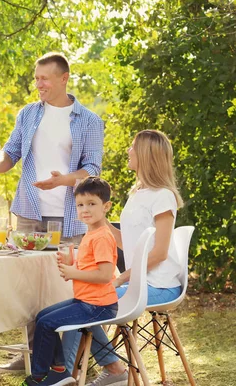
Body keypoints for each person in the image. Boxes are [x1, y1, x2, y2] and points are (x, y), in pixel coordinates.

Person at [0, 52, 105, 373]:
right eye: (36, 77)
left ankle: (66, 360)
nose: (38, 84)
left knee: (65, 287)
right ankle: (29, 354)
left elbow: (93, 168)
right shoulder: (27, 114)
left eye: (44, 78)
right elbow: (11, 152)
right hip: (30, 211)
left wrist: (64, 181)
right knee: (29, 287)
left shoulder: (90, 120)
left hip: (69, 214)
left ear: (64, 78)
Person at [61, 130, 185, 386]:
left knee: (85, 303)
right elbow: (125, 243)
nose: (128, 151)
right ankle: (111, 368)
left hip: (159, 285)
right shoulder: (138, 193)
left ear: (146, 155)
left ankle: (65, 374)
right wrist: (96, 215)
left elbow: (159, 253)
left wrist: (120, 280)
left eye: (132, 147)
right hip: (140, 282)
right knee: (84, 300)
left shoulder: (163, 195)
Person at [22, 177, 119, 386]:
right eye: (80, 205)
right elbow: (90, 266)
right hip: (87, 301)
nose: (85, 209)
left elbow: (104, 275)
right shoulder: (91, 233)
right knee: (42, 316)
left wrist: (73, 272)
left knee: (47, 324)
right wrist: (71, 262)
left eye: (92, 204)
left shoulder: (102, 236)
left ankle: (39, 377)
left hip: (98, 305)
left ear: (106, 206)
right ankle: (59, 369)